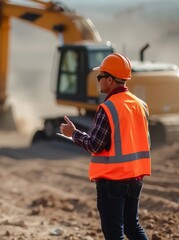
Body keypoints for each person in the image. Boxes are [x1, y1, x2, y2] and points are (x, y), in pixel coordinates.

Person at [59, 53, 150, 240]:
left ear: (109, 80)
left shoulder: (108, 108)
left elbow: (95, 144)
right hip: (135, 178)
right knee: (132, 226)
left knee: (114, 233)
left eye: (100, 77)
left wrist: (73, 133)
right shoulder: (140, 105)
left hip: (113, 181)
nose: (98, 80)